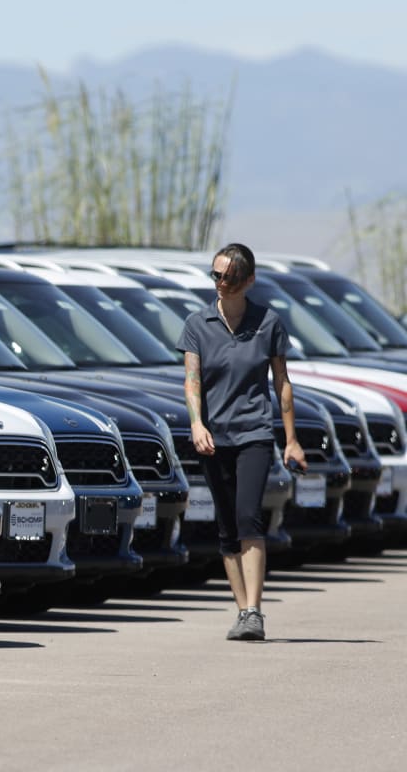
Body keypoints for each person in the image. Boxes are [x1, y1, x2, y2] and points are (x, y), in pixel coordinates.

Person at [176, 243, 307, 641]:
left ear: (248, 280)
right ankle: (242, 612)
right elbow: (192, 381)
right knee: (227, 527)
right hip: (214, 439)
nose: (221, 284)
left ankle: (254, 611)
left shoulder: (268, 324)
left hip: (254, 434)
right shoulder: (197, 325)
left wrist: (291, 440)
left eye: (229, 278)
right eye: (216, 275)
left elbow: (282, 385)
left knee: (249, 516)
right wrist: (197, 424)